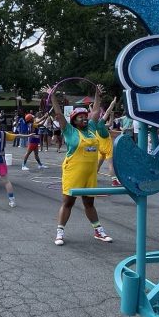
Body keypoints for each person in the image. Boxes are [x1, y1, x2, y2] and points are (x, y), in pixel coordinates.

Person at [47, 84, 113, 246]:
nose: (84, 118)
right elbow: (58, 114)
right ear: (74, 121)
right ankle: (60, 232)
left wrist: (98, 95)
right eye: (80, 117)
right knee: (68, 202)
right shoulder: (69, 131)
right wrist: (52, 96)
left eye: (85, 116)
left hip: (90, 174)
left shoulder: (91, 128)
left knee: (89, 203)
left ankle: (98, 231)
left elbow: (96, 111)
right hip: (73, 172)